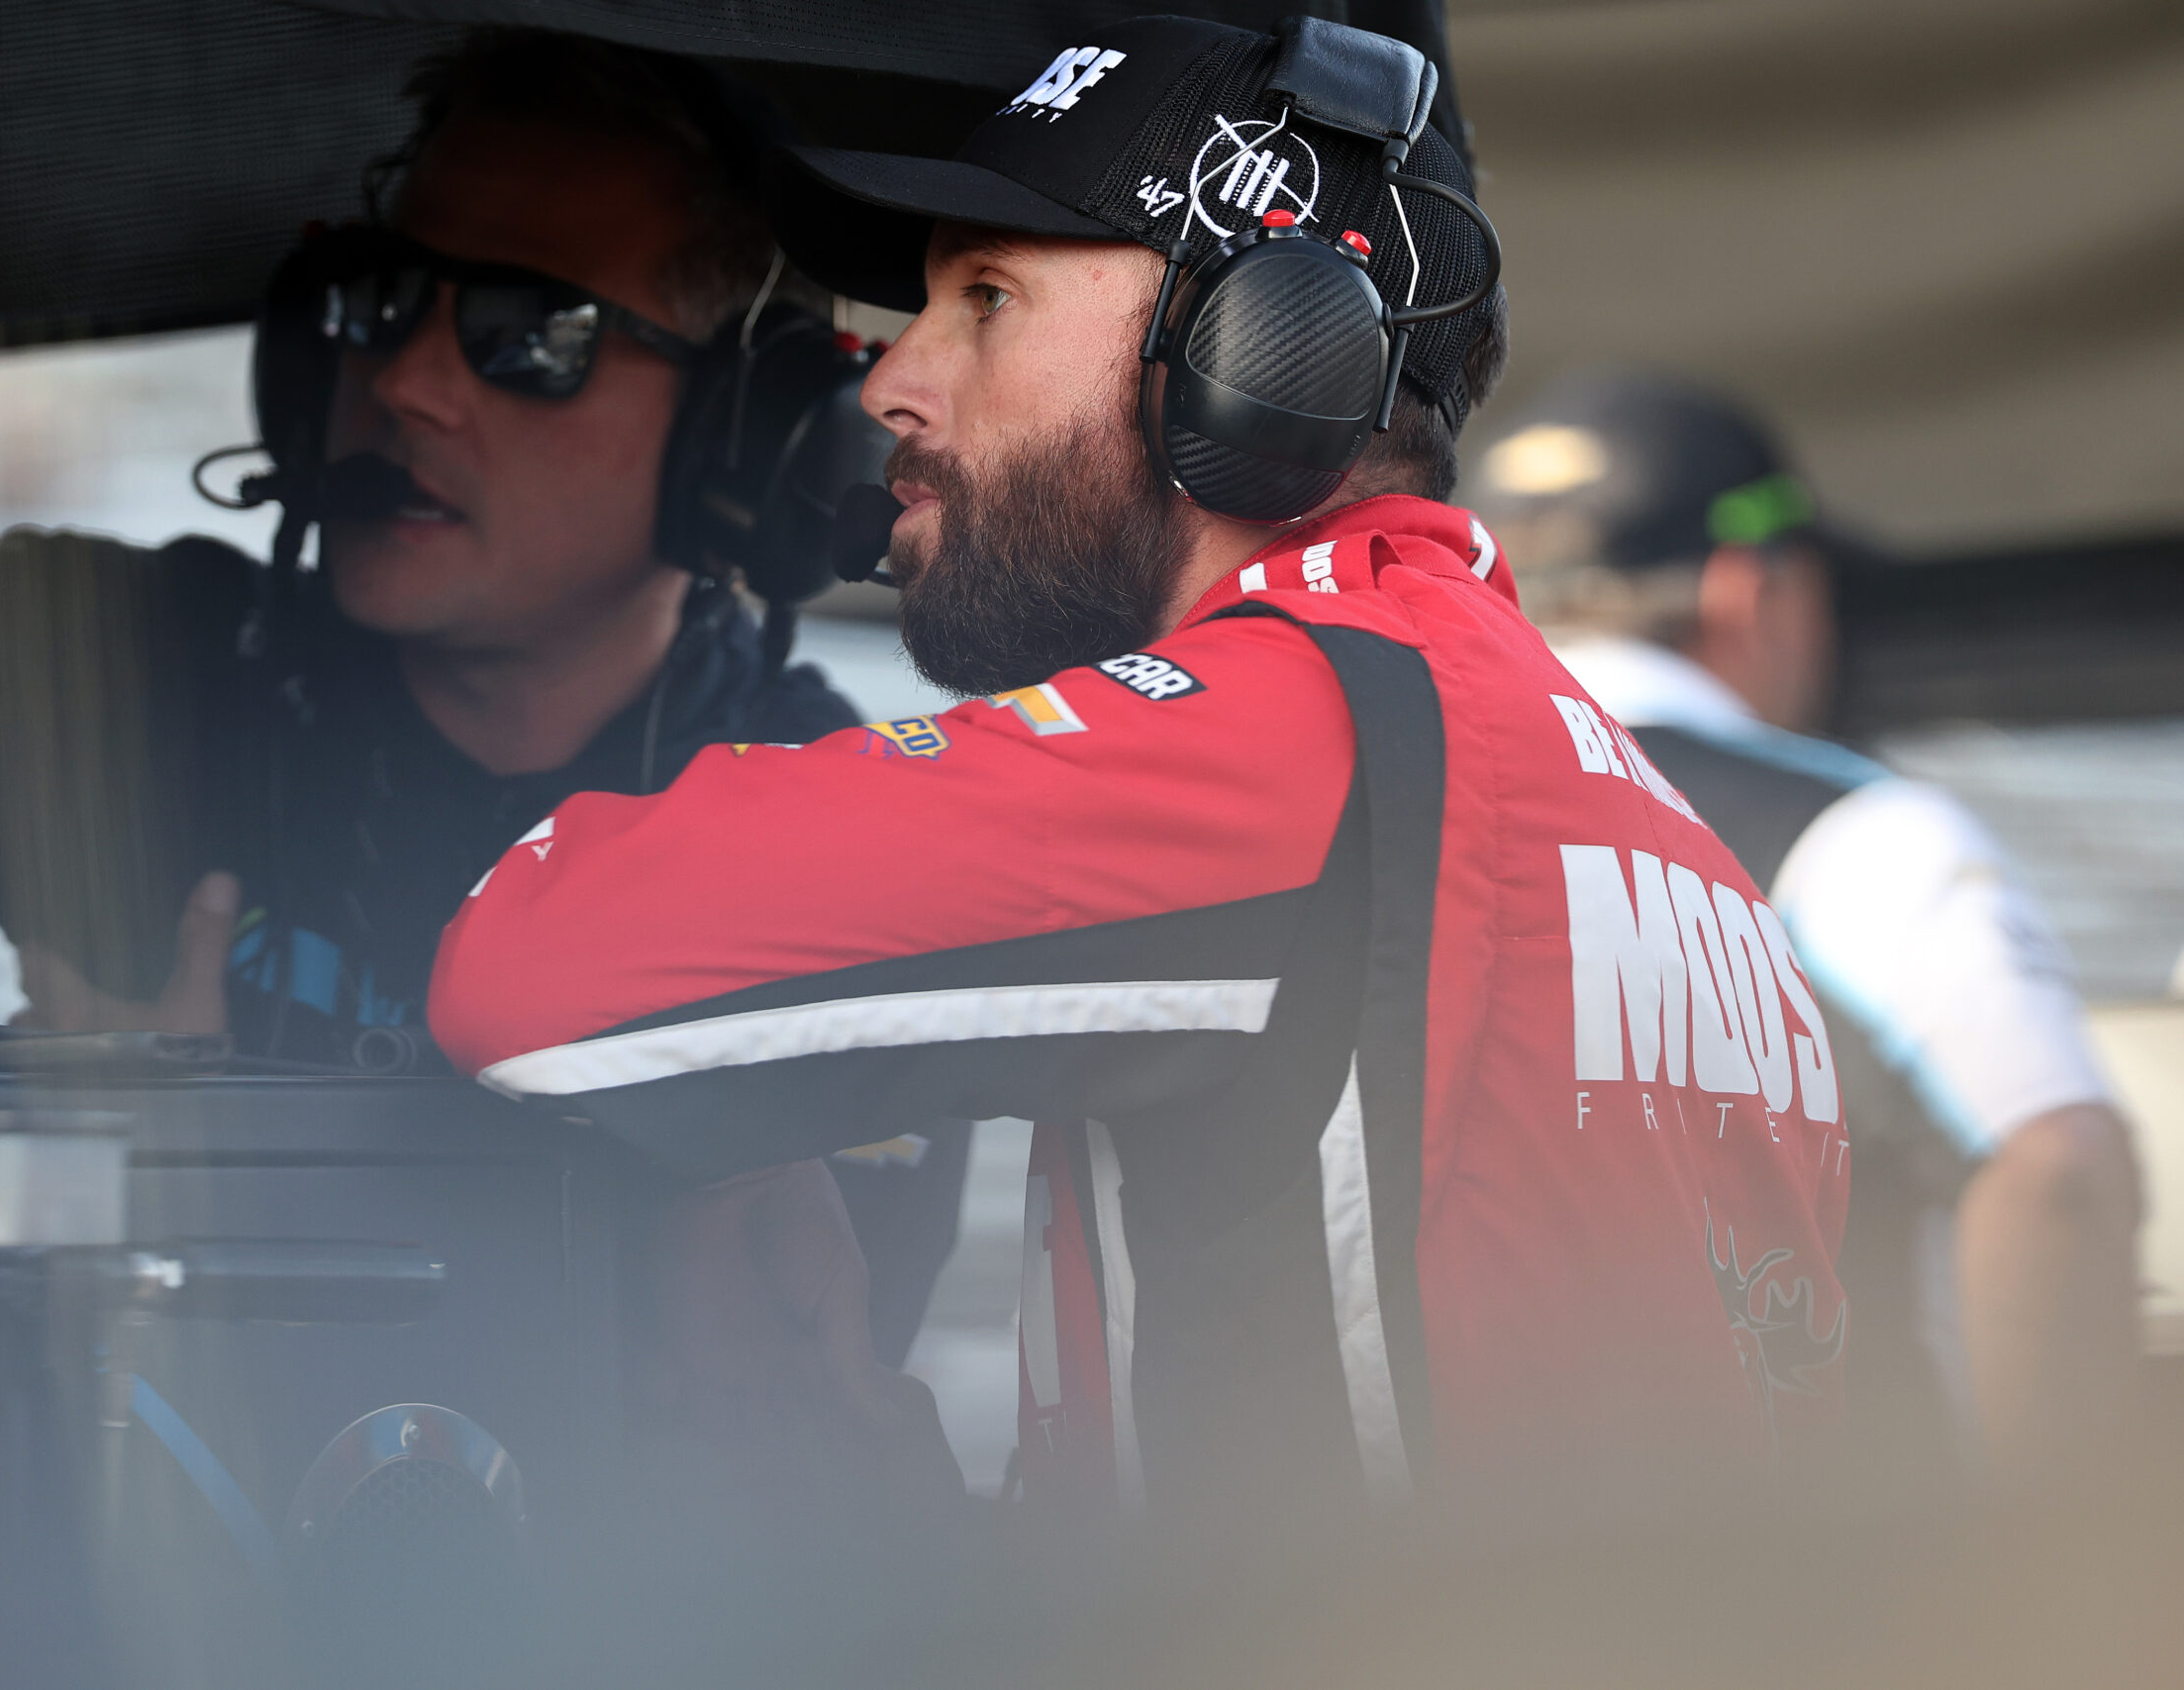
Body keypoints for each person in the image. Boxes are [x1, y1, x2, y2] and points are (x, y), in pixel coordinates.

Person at [430, 14, 1852, 1543]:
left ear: (1263, 356)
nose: (892, 381)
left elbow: (527, 969)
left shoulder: (1295, 735)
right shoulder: (1651, 823)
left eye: (987, 298)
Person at [0, 30, 973, 1362]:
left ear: (737, 440)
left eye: (532, 336)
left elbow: (770, 1413)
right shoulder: (158, 681)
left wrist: (220, 1181)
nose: (401, 384)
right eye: (387, 300)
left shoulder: (846, 864)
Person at [1467, 372, 2140, 1485]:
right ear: (1753, 591)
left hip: (1456, 1604)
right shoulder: (1860, 836)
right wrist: (2044, 1560)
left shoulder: (1384, 821)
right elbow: (2056, 1167)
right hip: (1841, 1598)